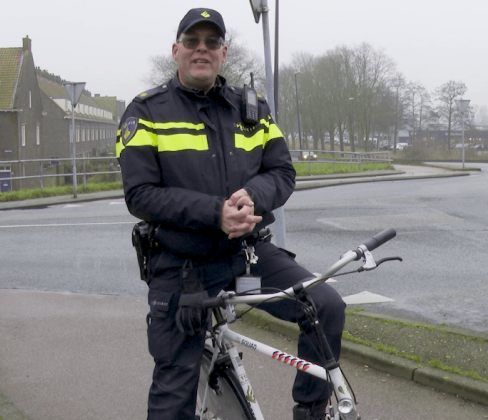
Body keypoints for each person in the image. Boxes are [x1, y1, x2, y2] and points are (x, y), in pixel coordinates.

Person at [116, 8, 345, 420]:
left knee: (325, 305)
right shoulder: (146, 111)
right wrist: (214, 213)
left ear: (224, 52)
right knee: (173, 395)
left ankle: (308, 412)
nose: (201, 49)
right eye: (192, 41)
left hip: (248, 255)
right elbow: (140, 194)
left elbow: (282, 172)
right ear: (176, 50)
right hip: (182, 267)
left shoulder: (251, 108)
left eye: (211, 42)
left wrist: (253, 198)